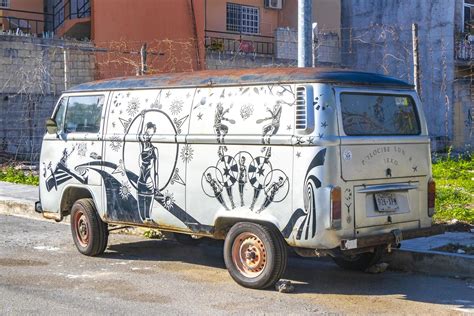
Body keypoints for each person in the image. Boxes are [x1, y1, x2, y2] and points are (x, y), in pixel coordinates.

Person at [137, 110, 159, 222]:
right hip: (140, 181)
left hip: (149, 182)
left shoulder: (154, 150)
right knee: (142, 214)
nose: (147, 135)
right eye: (146, 132)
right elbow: (138, 134)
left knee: (148, 215)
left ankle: (148, 218)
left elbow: (156, 171)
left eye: (150, 133)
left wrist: (157, 187)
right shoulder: (142, 146)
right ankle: (144, 219)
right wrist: (142, 118)